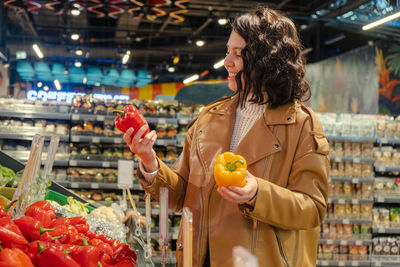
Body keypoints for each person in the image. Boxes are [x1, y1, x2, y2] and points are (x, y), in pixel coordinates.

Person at [123, 6, 329, 267]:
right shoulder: (209, 117)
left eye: (239, 54)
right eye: (227, 51)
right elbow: (181, 195)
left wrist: (258, 194)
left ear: (267, 59)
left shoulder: (301, 125)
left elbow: (312, 209)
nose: (227, 62)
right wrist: (150, 162)